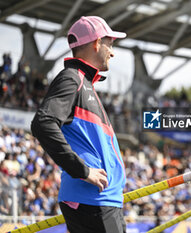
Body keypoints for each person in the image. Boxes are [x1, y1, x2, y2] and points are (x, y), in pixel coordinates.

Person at [31, 16, 127, 233]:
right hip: (92, 200)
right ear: (96, 43)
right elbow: (43, 123)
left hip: (102, 200)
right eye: (109, 45)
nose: (112, 52)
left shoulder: (85, 84)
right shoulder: (72, 78)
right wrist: (82, 170)